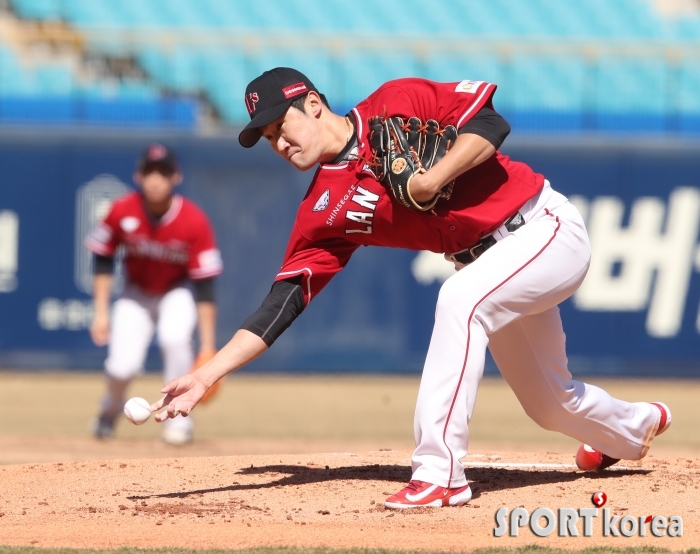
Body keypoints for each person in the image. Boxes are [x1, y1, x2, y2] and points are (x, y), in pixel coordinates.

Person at [151, 68, 671, 506]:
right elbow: (284, 301)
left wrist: (431, 178)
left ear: (312, 104)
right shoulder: (321, 211)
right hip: (491, 266)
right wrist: (205, 375)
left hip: (543, 228)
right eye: (266, 139)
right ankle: (633, 428)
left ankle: (440, 472)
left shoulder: (395, 101)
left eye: (280, 125)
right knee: (548, 405)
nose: (279, 143)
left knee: (460, 301)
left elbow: (491, 122)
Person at [86, 143, 223, 445]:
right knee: (121, 366)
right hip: (135, 294)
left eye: (164, 172)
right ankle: (109, 412)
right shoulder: (122, 210)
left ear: (176, 177)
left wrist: (209, 345)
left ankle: (178, 421)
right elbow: (102, 257)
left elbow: (205, 285)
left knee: (175, 341)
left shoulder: (193, 220)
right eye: (150, 172)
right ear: (138, 176)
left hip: (175, 292)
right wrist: (100, 313)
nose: (156, 179)